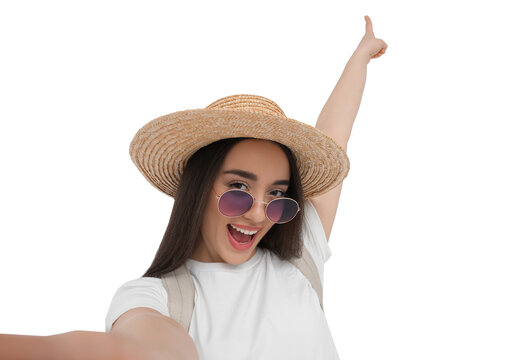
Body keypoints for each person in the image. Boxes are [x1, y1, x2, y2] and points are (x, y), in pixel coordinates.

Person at [0, 15, 386, 360]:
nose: (257, 213)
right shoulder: (157, 298)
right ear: (199, 188)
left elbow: (334, 135)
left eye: (277, 197)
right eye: (238, 187)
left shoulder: (302, 259)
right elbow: (131, 349)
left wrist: (360, 59)